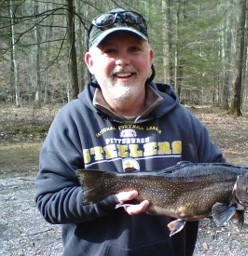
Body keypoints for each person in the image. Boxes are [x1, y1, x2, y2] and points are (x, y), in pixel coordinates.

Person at [35, 8, 225, 256]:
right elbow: (50, 203)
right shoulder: (72, 122)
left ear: (150, 58)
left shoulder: (183, 122)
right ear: (91, 62)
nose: (123, 61)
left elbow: (222, 178)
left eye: (134, 49)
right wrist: (112, 196)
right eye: (110, 51)